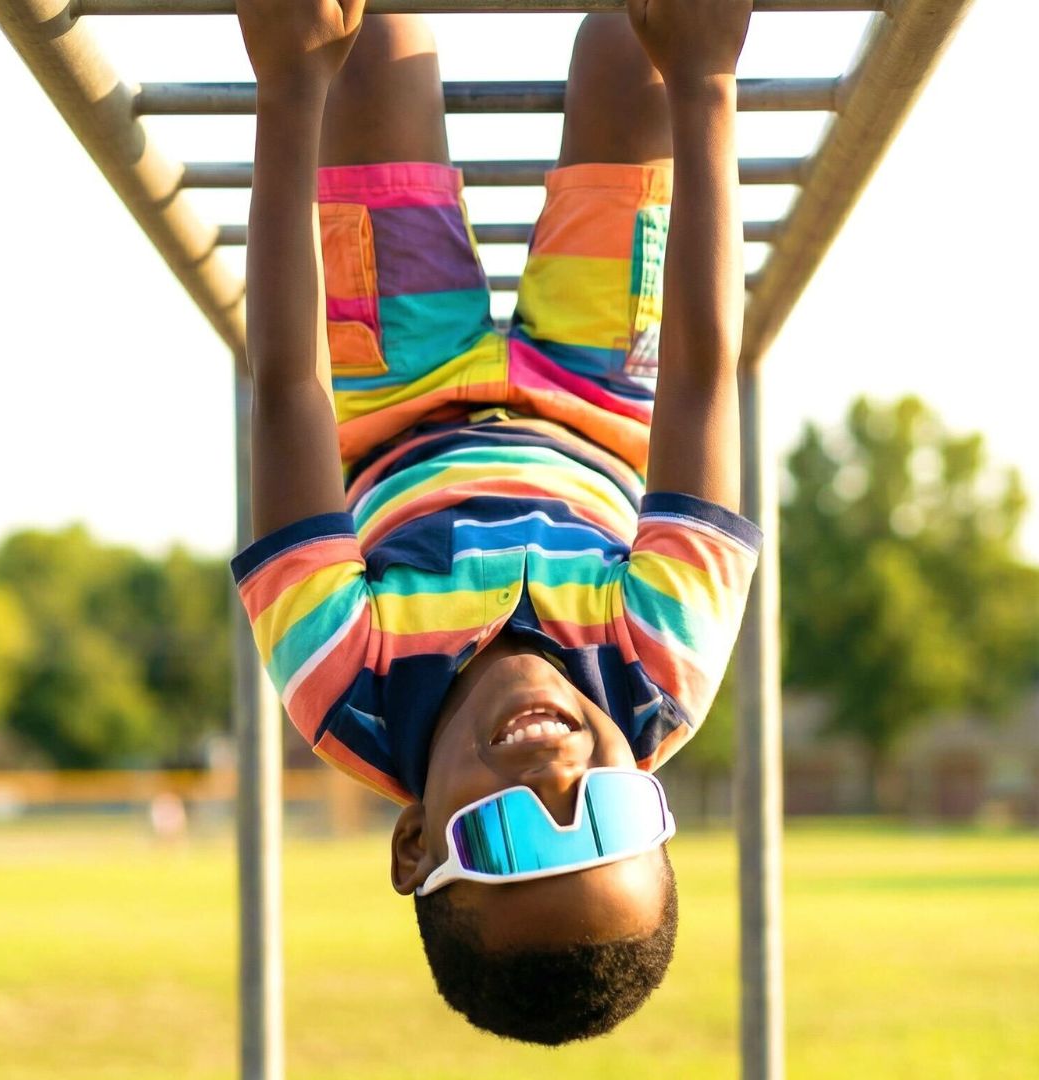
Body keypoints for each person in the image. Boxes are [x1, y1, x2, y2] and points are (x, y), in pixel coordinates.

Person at [232, 0, 760, 1044]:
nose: (558, 783)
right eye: (609, 819)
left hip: (396, 390)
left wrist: (287, 92)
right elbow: (703, 377)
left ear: (416, 846)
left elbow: (289, 389)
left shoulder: (342, 685)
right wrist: (709, 85)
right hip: (598, 394)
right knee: (634, 53)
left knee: (371, 46)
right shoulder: (663, 667)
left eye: (513, 838)